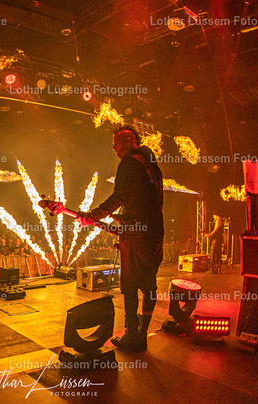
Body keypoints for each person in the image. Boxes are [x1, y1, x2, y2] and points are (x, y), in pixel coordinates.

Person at [77, 125, 164, 351]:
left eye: (116, 144)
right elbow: (149, 200)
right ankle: (142, 334)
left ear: (129, 141)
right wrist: (126, 217)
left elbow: (120, 196)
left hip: (135, 234)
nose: (114, 148)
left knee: (129, 284)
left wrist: (94, 215)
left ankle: (131, 335)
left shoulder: (129, 163)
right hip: (154, 231)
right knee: (149, 283)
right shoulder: (151, 164)